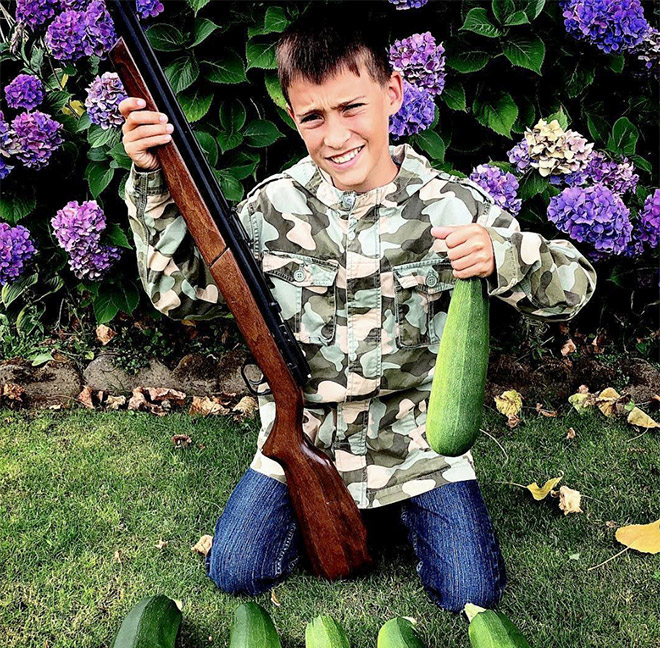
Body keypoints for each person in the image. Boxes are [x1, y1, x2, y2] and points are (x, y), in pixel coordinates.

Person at [119, 10, 596, 612]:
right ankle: (349, 512)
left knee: (470, 592)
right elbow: (180, 296)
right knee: (236, 570)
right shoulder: (271, 210)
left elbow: (575, 288)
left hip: (417, 446)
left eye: (352, 108)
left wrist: (504, 257)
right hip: (305, 436)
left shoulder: (450, 204)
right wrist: (152, 181)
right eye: (313, 117)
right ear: (291, 116)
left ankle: (393, 511)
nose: (336, 136)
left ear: (392, 92)